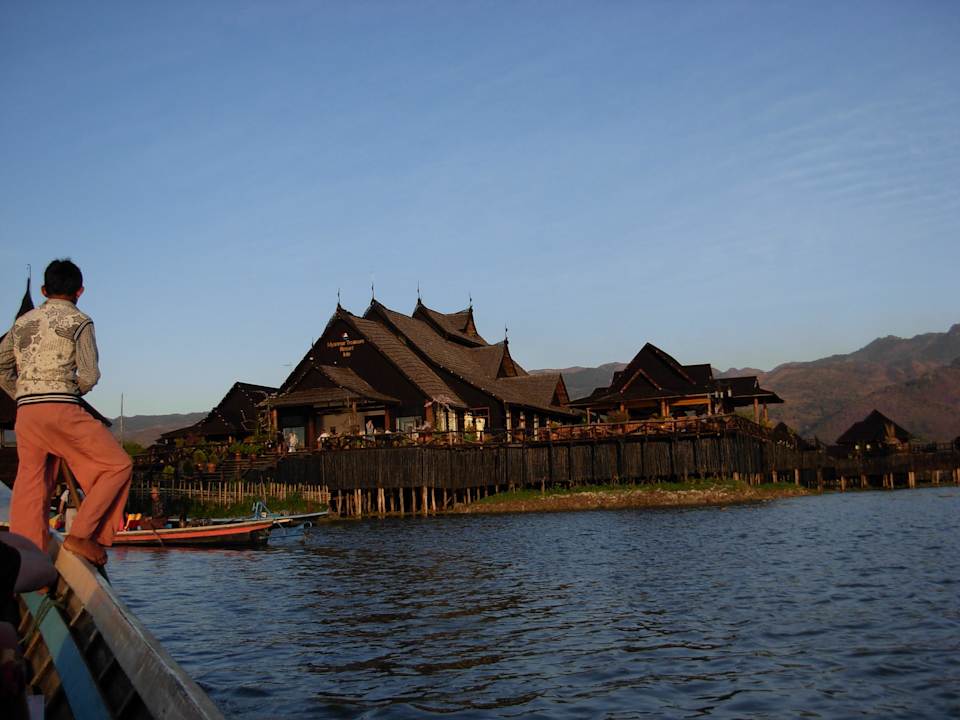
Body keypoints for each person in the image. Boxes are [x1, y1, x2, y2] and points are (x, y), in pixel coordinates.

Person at [0, 259, 132, 566]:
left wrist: (21, 392)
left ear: (45, 290)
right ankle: (82, 535)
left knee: (31, 487)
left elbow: (1, 365)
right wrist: (70, 391)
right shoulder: (80, 321)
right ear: (80, 291)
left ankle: (28, 566)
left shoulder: (22, 324)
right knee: (117, 466)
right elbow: (89, 374)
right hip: (60, 407)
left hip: (27, 414)